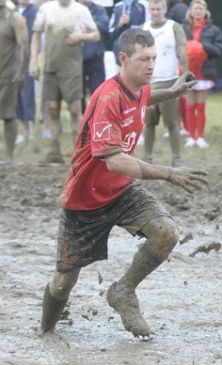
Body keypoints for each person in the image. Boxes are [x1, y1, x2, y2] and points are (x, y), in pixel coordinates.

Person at [40, 28, 206, 338]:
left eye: (154, 58)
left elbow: (144, 98)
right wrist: (168, 173)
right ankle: (45, 332)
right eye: (144, 59)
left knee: (166, 233)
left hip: (121, 190)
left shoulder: (139, 86)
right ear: (124, 59)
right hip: (84, 199)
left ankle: (123, 291)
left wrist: (171, 92)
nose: (151, 66)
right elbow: (114, 160)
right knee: (64, 280)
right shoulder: (108, 97)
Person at [29, 0, 100, 164]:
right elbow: (36, 34)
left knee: (75, 109)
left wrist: (80, 36)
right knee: (52, 108)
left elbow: (95, 35)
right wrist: (33, 60)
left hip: (72, 69)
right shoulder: (46, 9)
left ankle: (79, 152)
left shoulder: (81, 10)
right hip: (50, 67)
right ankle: (55, 150)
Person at [141, 0, 187, 166]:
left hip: (169, 81)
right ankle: (147, 157)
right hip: (148, 83)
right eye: (152, 9)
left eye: (158, 9)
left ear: (165, 9)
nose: (155, 12)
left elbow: (183, 52)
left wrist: (185, 77)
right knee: (148, 123)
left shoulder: (174, 27)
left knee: (172, 123)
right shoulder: (143, 28)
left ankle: (176, 158)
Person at [181, 0, 222, 148]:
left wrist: (202, 46)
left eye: (201, 8)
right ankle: (191, 136)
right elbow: (177, 47)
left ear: (206, 11)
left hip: (204, 71)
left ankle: (200, 137)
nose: (198, 11)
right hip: (187, 71)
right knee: (189, 105)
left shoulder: (214, 29)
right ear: (190, 11)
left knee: (201, 106)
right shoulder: (183, 27)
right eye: (195, 8)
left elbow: (219, 50)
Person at [0, 0, 28, 163]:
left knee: (9, 115)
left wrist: (21, 73)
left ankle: (9, 154)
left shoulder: (15, 18)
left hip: (8, 75)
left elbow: (24, 46)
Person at [79, 0, 109, 113]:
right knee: (78, 95)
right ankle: (82, 123)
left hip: (95, 58)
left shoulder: (99, 9)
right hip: (76, 59)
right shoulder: (71, 9)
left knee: (98, 92)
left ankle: (97, 120)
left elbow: (104, 26)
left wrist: (84, 23)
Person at [15, 0, 38, 143]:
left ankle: (32, 130)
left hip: (27, 59)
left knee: (27, 95)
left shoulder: (34, 10)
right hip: (11, 61)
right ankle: (22, 130)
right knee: (15, 97)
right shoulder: (13, 11)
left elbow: (30, 35)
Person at [108, 0, 149, 65]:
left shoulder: (144, 5)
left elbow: (148, 29)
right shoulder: (117, 6)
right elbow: (111, 33)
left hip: (138, 57)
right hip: (120, 57)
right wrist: (119, 25)